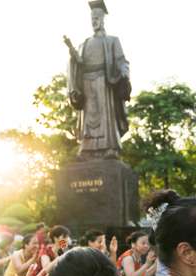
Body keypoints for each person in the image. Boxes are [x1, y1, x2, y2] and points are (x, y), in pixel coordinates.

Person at [67, 0, 130, 159]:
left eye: (97, 18)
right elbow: (78, 64)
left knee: (105, 118)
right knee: (89, 119)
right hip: (87, 82)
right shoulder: (84, 43)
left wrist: (124, 73)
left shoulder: (112, 41)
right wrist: (74, 59)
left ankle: (110, 148)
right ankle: (87, 149)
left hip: (104, 81)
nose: (94, 22)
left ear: (103, 20)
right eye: (92, 19)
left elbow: (122, 61)